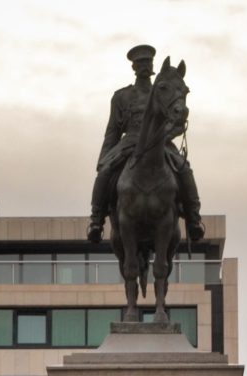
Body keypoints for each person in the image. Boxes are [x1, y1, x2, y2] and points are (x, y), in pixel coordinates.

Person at [87, 44, 204, 245]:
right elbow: (112, 131)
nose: (144, 65)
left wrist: (168, 134)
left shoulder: (163, 91)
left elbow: (175, 122)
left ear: (152, 65)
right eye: (140, 62)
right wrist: (104, 159)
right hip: (129, 142)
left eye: (147, 61)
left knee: (185, 170)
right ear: (134, 67)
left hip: (161, 142)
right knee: (105, 173)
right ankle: (96, 220)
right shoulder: (121, 97)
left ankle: (193, 219)